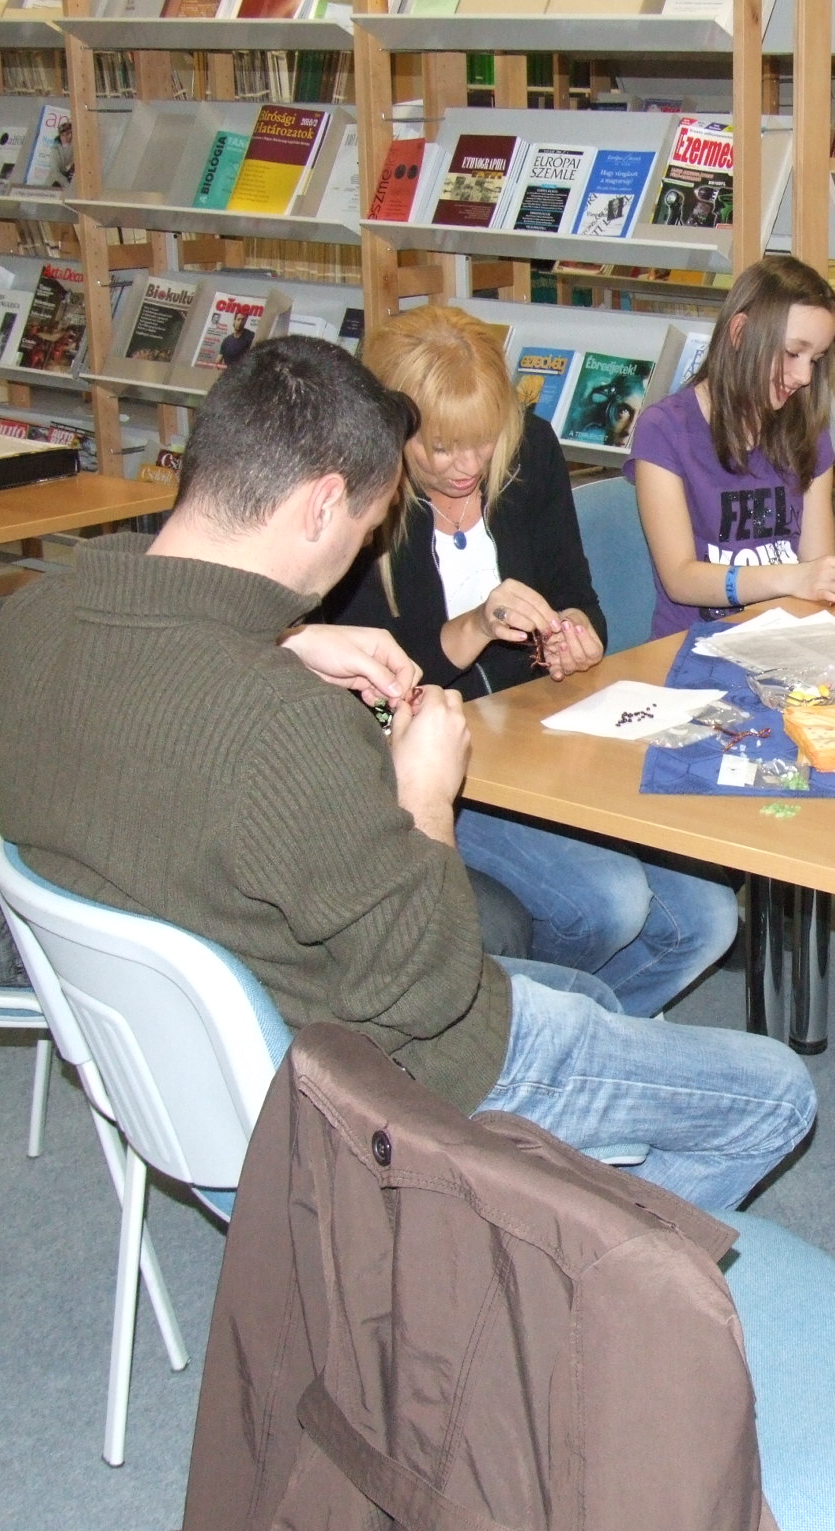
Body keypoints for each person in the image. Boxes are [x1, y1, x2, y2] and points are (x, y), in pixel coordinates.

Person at [0, 337, 814, 1211]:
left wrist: (287, 639)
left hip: (199, 1060)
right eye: (367, 525)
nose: (363, 548)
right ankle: (547, 1267)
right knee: (775, 1092)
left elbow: (188, 667)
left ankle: (539, 1201)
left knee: (595, 995)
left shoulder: (34, 618)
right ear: (321, 505)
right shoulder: (285, 725)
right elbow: (433, 990)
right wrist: (424, 793)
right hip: (385, 1078)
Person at [330, 304, 739, 1020]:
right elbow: (370, 694)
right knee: (609, 904)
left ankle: (579, 1037)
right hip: (424, 766)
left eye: (482, 441)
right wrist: (473, 628)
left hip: (535, 740)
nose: (468, 467)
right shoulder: (355, 499)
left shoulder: (531, 450)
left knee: (707, 921)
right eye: (442, 449)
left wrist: (576, 634)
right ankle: (521, 1036)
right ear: (393, 433)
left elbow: (577, 595)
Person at [626, 255, 835, 639]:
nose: (804, 376)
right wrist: (793, 577)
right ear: (739, 333)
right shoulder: (665, 428)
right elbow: (681, 579)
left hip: (784, 639)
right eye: (792, 352)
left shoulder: (806, 428)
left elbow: (815, 562)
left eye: (815, 359)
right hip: (696, 644)